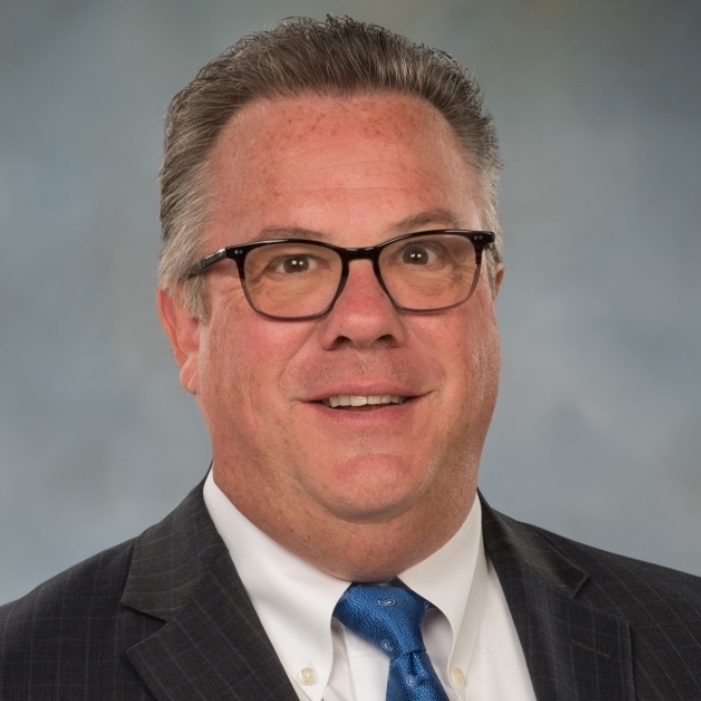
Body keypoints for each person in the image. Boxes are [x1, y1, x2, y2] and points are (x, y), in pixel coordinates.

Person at [1, 15, 699, 701]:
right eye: (292, 262)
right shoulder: (26, 672)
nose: (365, 320)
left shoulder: (684, 639)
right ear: (188, 330)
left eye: (420, 254)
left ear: (489, 292)